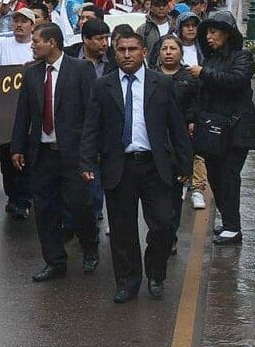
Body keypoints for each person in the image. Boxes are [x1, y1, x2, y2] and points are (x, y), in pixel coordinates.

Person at [81, 30, 192, 303]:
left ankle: (156, 273)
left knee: (164, 224)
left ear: (144, 52)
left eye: (133, 49)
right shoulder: (103, 86)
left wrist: (185, 163)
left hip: (156, 166)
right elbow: (91, 127)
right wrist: (86, 161)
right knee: (122, 229)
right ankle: (128, 281)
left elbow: (176, 127)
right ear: (114, 52)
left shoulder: (161, 84)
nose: (127, 55)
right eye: (122, 50)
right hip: (120, 166)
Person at [11, 24, 99, 282]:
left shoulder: (81, 70)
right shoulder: (32, 73)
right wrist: (17, 147)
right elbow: (23, 114)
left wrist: (91, 152)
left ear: (52, 43)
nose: (32, 45)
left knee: (79, 205)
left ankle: (90, 247)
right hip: (43, 154)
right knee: (46, 209)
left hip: (73, 154)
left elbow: (92, 114)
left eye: (37, 41)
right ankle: (55, 260)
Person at [189, 11, 255, 245]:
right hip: (213, 132)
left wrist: (204, 73)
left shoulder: (242, 57)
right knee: (215, 177)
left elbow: (235, 80)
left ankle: (233, 227)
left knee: (229, 177)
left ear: (227, 34)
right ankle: (228, 222)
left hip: (236, 130)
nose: (209, 36)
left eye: (214, 32)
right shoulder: (211, 58)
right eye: (207, 32)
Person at [0, 6, 36, 218]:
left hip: (28, 113)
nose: (18, 25)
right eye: (15, 21)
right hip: (5, 115)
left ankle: (23, 201)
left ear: (32, 26)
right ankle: (12, 196)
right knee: (6, 161)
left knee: (25, 159)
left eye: (23, 21)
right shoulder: (2, 43)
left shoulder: (35, 47)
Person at [154, 35, 206, 251]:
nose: (168, 52)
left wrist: (192, 121)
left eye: (173, 48)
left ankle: (171, 236)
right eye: (164, 48)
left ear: (181, 52)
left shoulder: (190, 78)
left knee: (174, 194)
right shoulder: (151, 77)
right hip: (156, 141)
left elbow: (198, 103)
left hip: (180, 141)